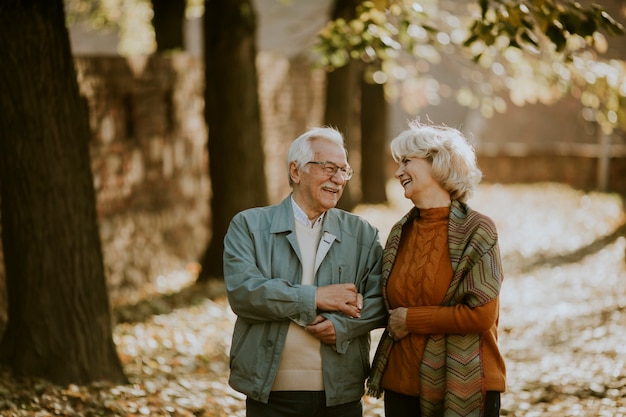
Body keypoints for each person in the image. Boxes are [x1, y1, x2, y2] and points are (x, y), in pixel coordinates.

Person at [224, 126, 387, 417]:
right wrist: (315, 298)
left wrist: (342, 327)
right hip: (270, 395)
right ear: (296, 171)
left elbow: (382, 300)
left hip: (340, 395)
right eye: (328, 168)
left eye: (343, 170)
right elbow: (244, 292)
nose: (338, 179)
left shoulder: (362, 233)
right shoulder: (248, 225)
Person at [367, 120, 506, 417]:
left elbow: (481, 315)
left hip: (463, 387)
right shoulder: (399, 232)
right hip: (400, 387)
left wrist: (412, 320)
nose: (398, 171)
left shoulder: (478, 231)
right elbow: (387, 306)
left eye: (407, 161)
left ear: (438, 163)